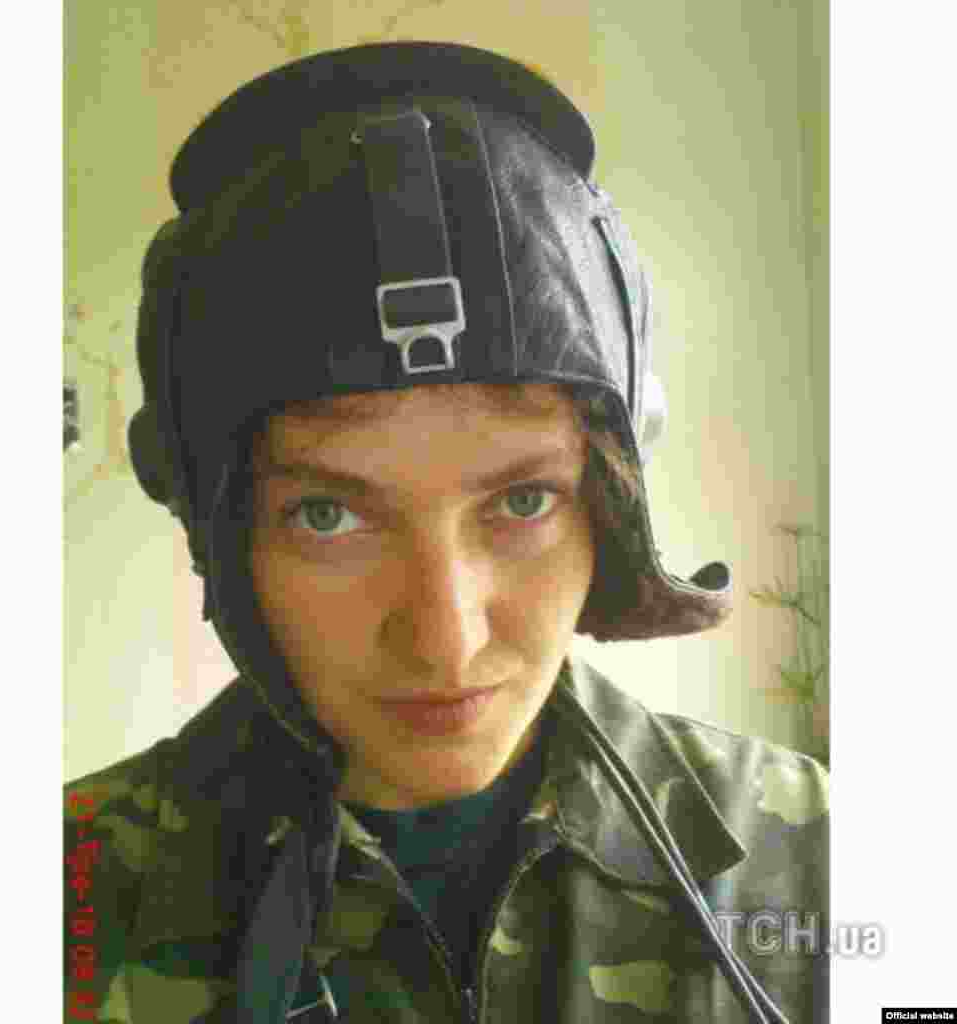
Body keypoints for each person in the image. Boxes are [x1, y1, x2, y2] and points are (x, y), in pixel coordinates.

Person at [63, 41, 828, 1024]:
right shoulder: (54, 905)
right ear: (222, 530)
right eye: (328, 515)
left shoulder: (815, 854)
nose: (445, 638)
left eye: (523, 501)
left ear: (610, 503)